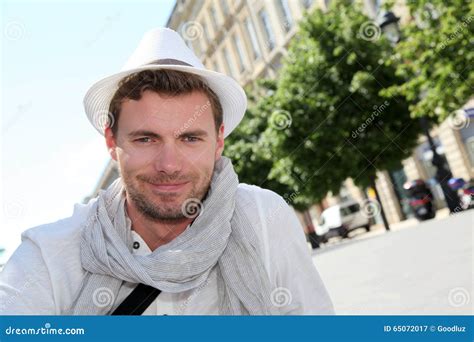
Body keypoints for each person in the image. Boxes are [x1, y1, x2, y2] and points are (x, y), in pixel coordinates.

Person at [0, 28, 334, 315]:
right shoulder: (49, 255)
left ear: (218, 141)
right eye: (146, 138)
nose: (169, 165)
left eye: (190, 138)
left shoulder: (264, 219)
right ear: (111, 140)